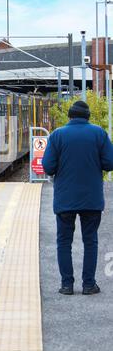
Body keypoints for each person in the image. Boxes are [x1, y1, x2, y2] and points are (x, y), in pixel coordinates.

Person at [42, 100, 113, 296]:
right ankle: (89, 285)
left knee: (64, 241)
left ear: (70, 116)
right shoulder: (99, 133)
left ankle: (67, 285)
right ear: (88, 116)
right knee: (90, 241)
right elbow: (110, 163)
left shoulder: (57, 135)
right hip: (92, 199)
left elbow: (47, 166)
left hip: (65, 199)